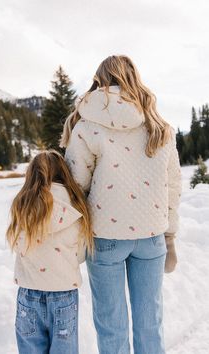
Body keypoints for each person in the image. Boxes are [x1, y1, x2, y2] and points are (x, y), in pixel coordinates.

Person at [61, 55, 182, 354]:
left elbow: (75, 186)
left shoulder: (87, 127)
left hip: (105, 239)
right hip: (152, 237)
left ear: (100, 81)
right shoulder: (160, 127)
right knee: (150, 324)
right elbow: (173, 187)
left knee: (111, 326)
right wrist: (171, 236)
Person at [6, 150, 92, 354]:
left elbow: (18, 246)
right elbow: (80, 255)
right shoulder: (75, 205)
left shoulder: (23, 205)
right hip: (63, 293)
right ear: (63, 173)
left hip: (29, 293)